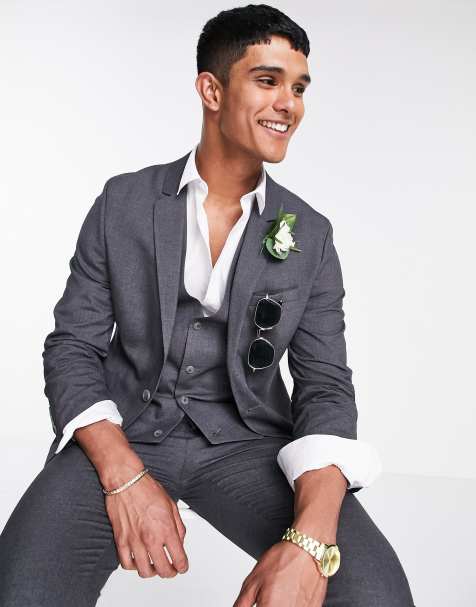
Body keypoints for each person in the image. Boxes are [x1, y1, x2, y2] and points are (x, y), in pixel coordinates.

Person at [0, 4, 415, 606]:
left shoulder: (311, 234)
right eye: (268, 80)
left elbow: (325, 386)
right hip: (125, 431)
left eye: (299, 88)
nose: (289, 104)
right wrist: (123, 473)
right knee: (20, 588)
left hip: (249, 445)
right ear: (211, 90)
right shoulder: (123, 202)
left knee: (377, 594)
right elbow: (73, 348)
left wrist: (310, 537)